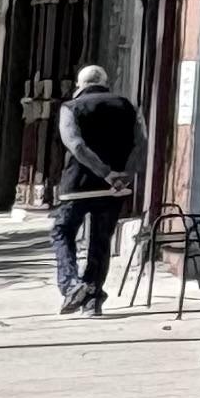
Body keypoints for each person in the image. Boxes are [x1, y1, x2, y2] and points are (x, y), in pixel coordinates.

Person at [50, 64, 143, 315]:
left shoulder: (70, 108)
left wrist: (103, 171)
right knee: (100, 242)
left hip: (77, 185)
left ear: (80, 85)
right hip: (114, 189)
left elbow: (76, 145)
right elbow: (140, 144)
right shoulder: (127, 106)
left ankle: (71, 285)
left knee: (62, 231)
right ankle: (92, 300)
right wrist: (123, 175)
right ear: (106, 82)